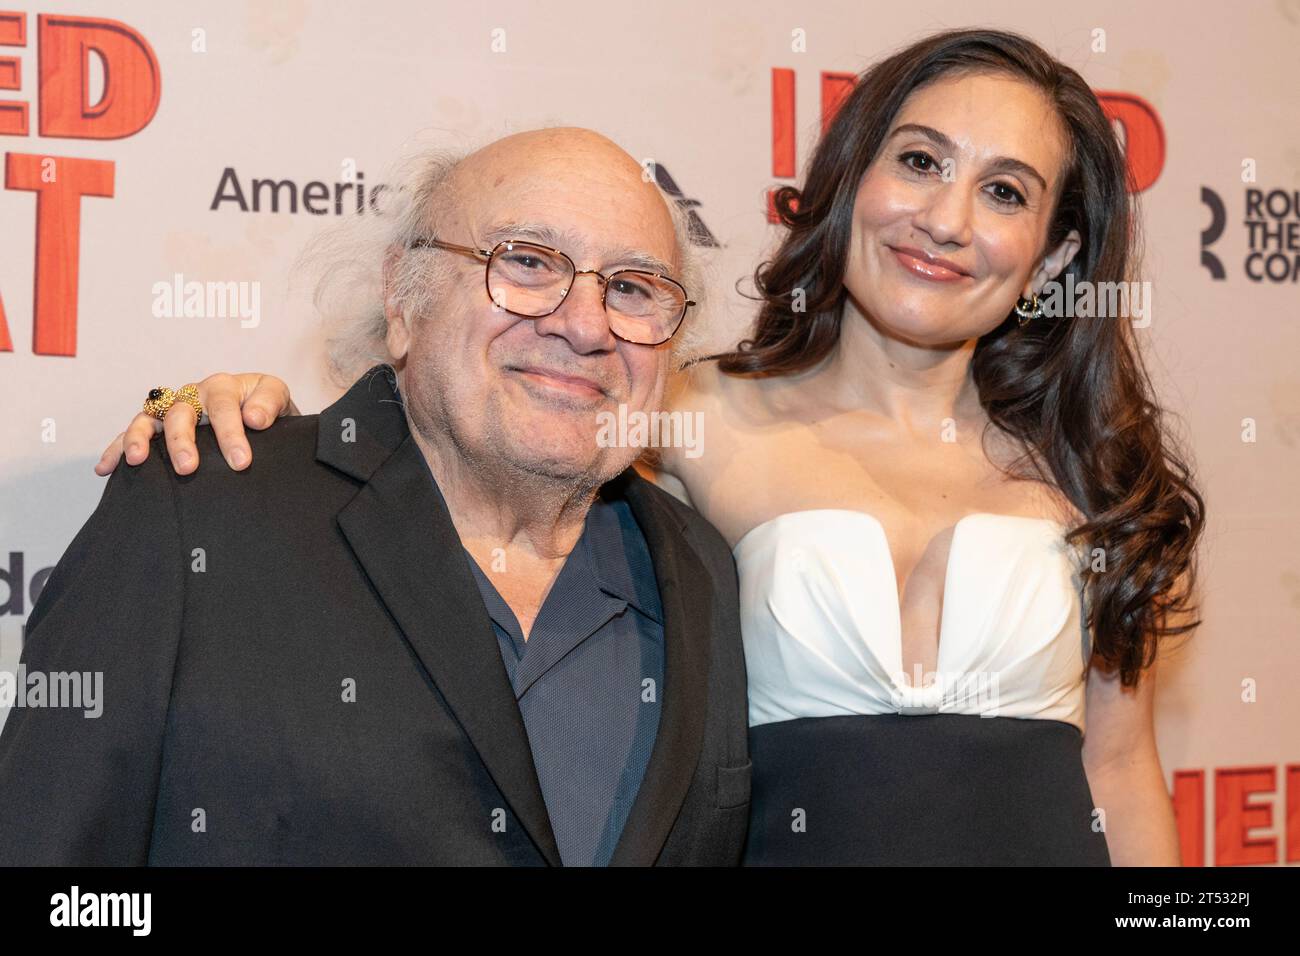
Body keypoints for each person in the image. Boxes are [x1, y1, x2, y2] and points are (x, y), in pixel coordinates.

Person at [95, 29, 1205, 865]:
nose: (947, 218)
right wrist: (242, 402)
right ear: (851, 176)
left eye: (1003, 191)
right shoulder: (683, 410)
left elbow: (1117, 765)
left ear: (1055, 256)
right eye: (918, 161)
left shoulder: (1094, 473)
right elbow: (458, 419)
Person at [0, 128, 753, 866]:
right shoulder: (199, 508)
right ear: (403, 298)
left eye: (631, 287)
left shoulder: (699, 569)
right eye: (525, 261)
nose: (586, 325)